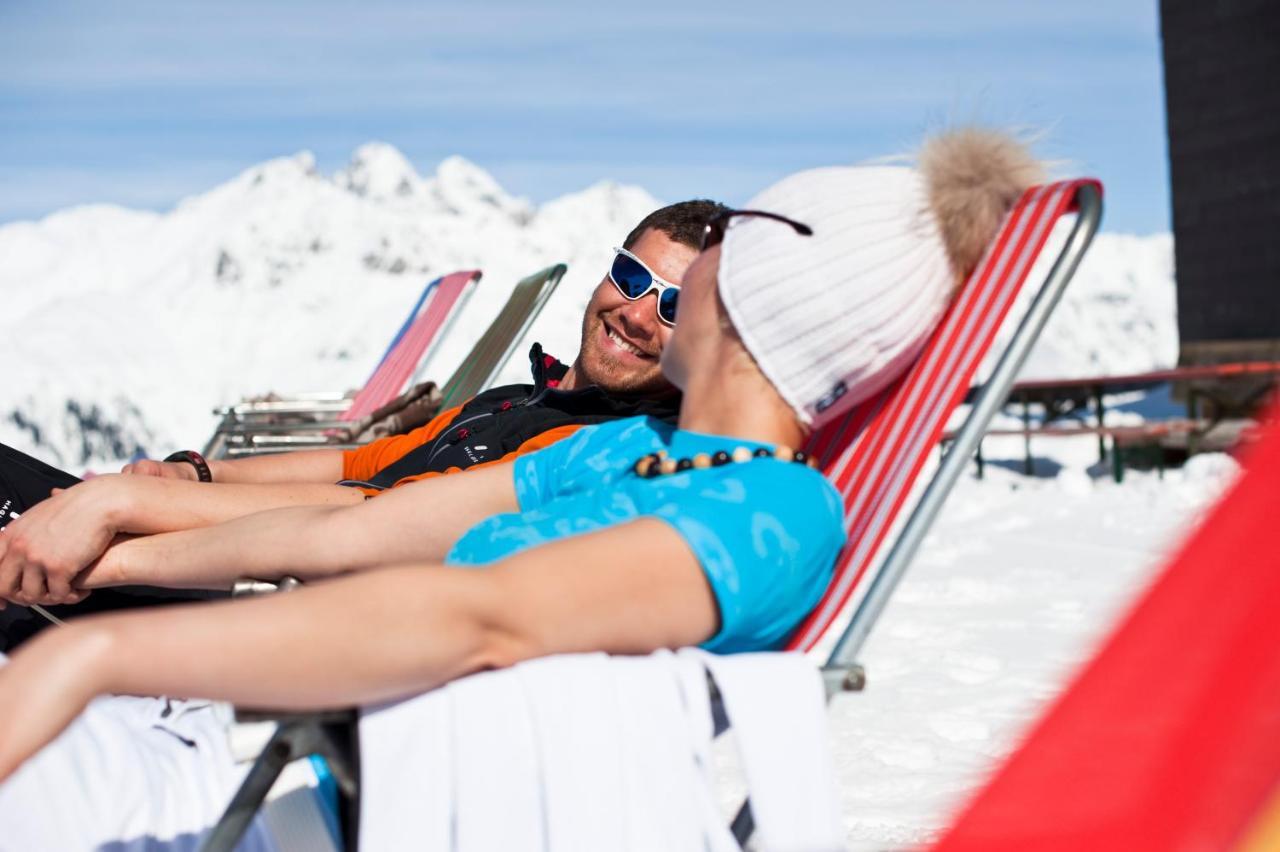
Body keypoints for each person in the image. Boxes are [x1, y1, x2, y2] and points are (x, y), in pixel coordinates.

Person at [0, 129, 1040, 847]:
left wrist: (94, 654)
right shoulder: (620, 449)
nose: (658, 295)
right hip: (231, 735)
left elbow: (477, 618)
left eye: (719, 259)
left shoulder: (770, 512)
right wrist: (98, 558)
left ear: (747, 300)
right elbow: (347, 534)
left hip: (318, 798)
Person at [0, 199, 727, 649]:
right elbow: (359, 463)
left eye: (673, 307)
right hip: (253, 558)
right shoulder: (516, 400)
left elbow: (371, 519)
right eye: (633, 278)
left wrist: (120, 508)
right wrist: (197, 473)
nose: (635, 313)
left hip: (272, 599)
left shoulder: (598, 445)